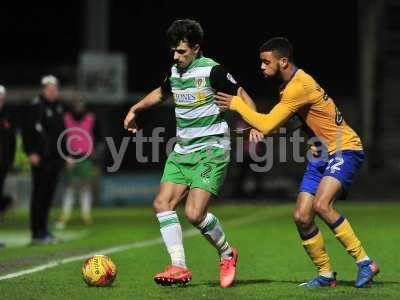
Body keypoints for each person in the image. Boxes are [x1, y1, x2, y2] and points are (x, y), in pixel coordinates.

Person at [215, 37, 379, 288]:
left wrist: (237, 104)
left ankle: (365, 261)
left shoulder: (298, 86)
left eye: (265, 62)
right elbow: (283, 126)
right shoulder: (287, 88)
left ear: (283, 61)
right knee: (302, 216)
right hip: (320, 155)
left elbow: (268, 123)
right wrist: (247, 133)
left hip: (344, 148)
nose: (261, 67)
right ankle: (325, 275)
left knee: (323, 205)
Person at [124, 19, 257, 288]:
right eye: (174, 51)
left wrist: (255, 122)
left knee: (195, 214)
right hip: (182, 151)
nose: (176, 56)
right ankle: (179, 267)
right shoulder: (176, 72)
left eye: (182, 51)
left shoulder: (213, 71)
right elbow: (161, 93)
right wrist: (135, 109)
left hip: (211, 151)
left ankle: (227, 253)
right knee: (162, 204)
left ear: (197, 48)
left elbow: (243, 96)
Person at [23, 75, 67, 244]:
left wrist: (66, 154)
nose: (53, 92)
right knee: (39, 195)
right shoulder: (36, 107)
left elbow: (62, 133)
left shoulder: (57, 108)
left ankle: (44, 230)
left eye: (55, 89)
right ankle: (36, 231)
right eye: (50, 89)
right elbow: (28, 131)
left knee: (48, 196)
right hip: (41, 158)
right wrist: (31, 152)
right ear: (43, 89)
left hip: (55, 158)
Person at [56, 98, 103, 229]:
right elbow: (60, 137)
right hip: (70, 158)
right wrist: (65, 156)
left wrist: (96, 153)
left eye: (81, 104)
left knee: (86, 186)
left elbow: (99, 138)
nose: (78, 106)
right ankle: (65, 215)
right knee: (69, 187)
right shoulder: (65, 118)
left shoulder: (91, 118)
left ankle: (86, 215)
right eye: (76, 104)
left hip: (86, 157)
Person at [0, 85, 15, 219]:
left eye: (2, 98)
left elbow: (12, 142)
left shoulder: (7, 116)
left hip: (2, 165)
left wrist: (10, 161)